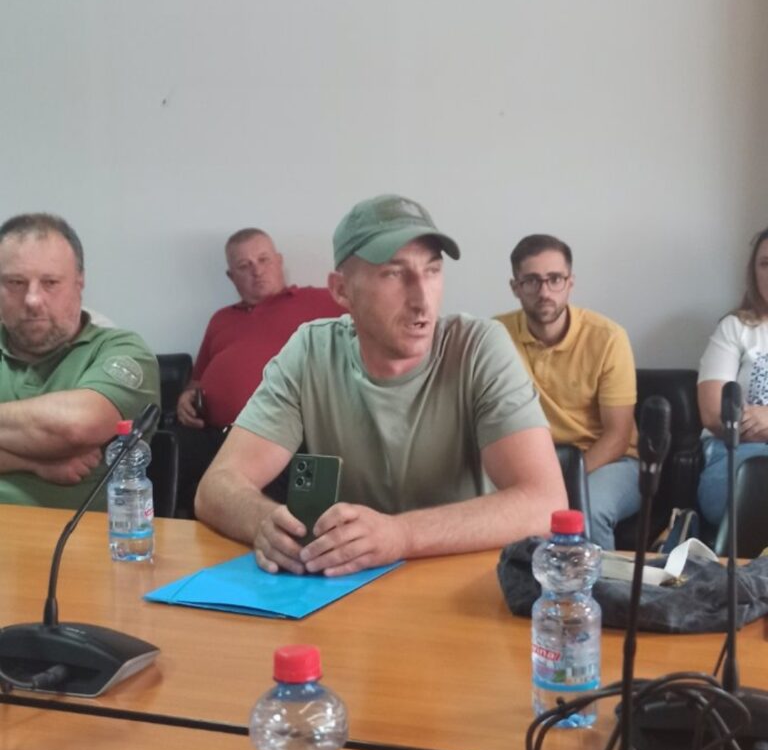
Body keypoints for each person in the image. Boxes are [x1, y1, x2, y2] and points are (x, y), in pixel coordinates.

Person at [196, 194, 566, 577]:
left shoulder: (479, 346)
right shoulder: (310, 351)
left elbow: (545, 502)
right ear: (342, 290)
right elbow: (216, 487)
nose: (422, 301)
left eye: (432, 271)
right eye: (394, 274)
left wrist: (401, 535)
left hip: (461, 583)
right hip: (348, 586)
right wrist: (264, 522)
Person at [174, 228, 344, 514]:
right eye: (244, 265)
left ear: (279, 261)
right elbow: (197, 381)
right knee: (158, 453)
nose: (257, 271)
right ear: (231, 276)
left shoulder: (322, 301)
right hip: (211, 435)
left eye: (263, 260)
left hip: (280, 437)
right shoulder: (221, 319)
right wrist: (185, 398)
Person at [0, 213, 160, 509]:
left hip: (74, 534)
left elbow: (75, 428)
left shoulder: (121, 350)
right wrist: (36, 463)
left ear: (79, 282)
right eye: (16, 282)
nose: (32, 299)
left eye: (50, 282)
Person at [495, 234, 640, 551]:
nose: (544, 292)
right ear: (515, 287)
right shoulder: (494, 337)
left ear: (570, 283)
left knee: (587, 511)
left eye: (555, 279)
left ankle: (599, 584)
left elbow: (617, 437)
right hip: (529, 465)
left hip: (607, 463)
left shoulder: (608, 338)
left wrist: (558, 481)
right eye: (532, 281)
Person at [697, 226, 768, 528]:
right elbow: (715, 414)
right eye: (765, 264)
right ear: (753, 272)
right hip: (734, 455)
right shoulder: (735, 328)